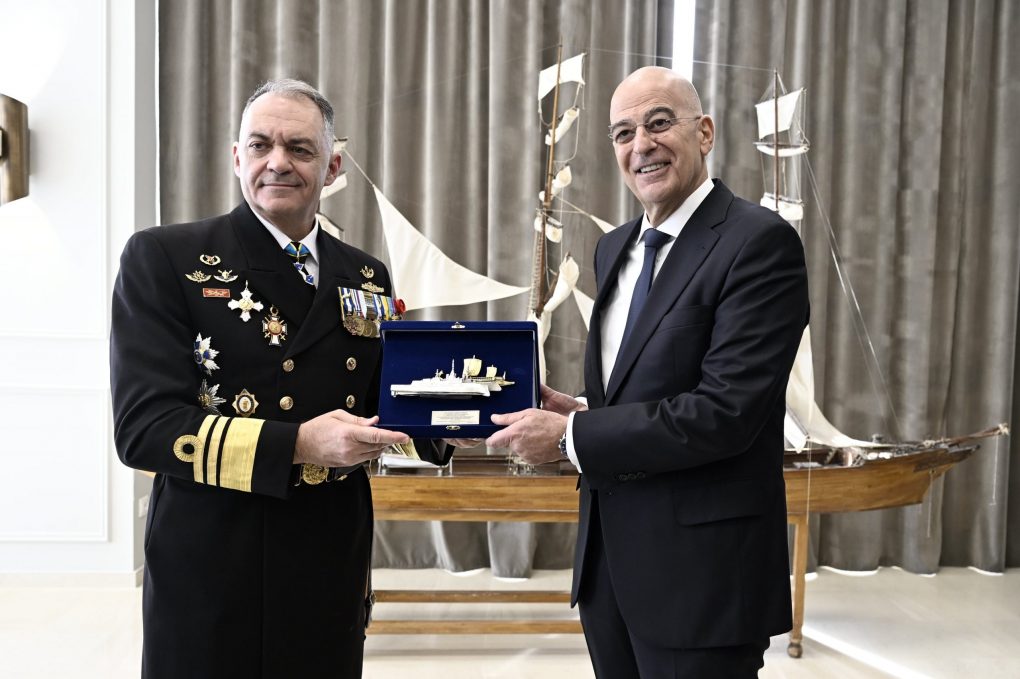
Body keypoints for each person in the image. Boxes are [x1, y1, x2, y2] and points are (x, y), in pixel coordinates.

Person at [110, 78, 450, 678]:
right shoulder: (166, 257)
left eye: (300, 148)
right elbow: (145, 428)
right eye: (260, 144)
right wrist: (298, 443)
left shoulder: (366, 275)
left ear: (332, 166)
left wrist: (461, 414)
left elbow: (385, 401)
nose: (278, 162)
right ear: (236, 157)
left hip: (329, 544)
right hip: (215, 546)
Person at [488, 66, 809, 677]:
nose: (642, 145)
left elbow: (725, 413)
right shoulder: (614, 248)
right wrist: (583, 412)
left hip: (704, 577)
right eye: (623, 133)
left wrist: (571, 438)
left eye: (659, 123)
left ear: (705, 132)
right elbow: (646, 385)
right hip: (609, 568)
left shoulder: (758, 243)